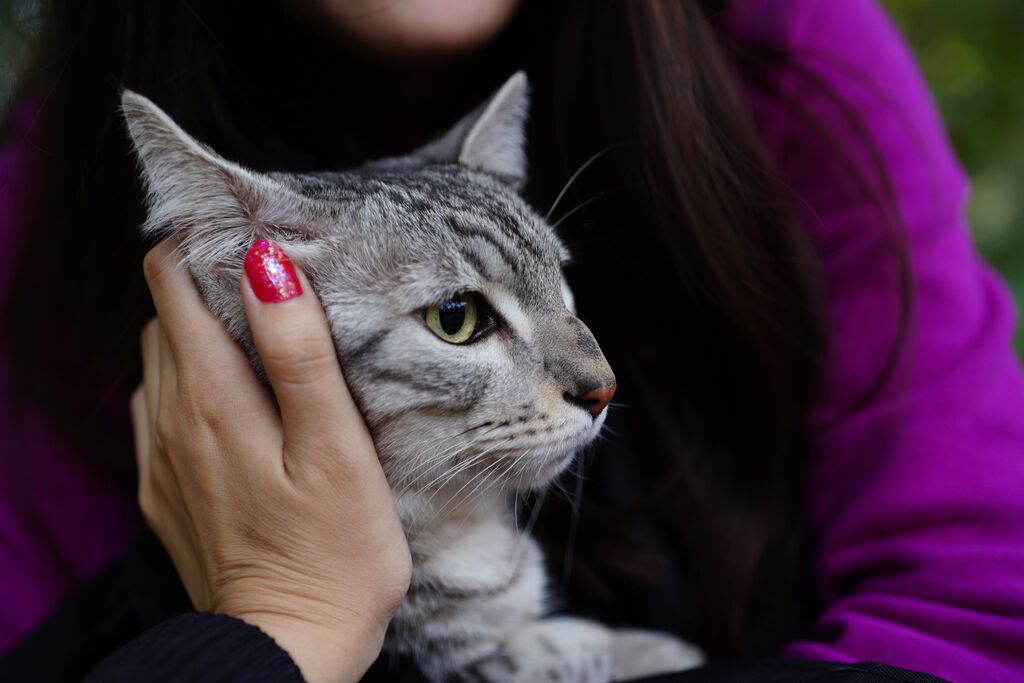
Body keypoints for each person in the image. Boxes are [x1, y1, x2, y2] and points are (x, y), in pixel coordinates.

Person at [1, 0, 1022, 681]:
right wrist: (286, 616)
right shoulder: (40, 205)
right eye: (459, 315)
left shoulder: (781, 48)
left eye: (561, 294)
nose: (594, 380)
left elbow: (981, 608)